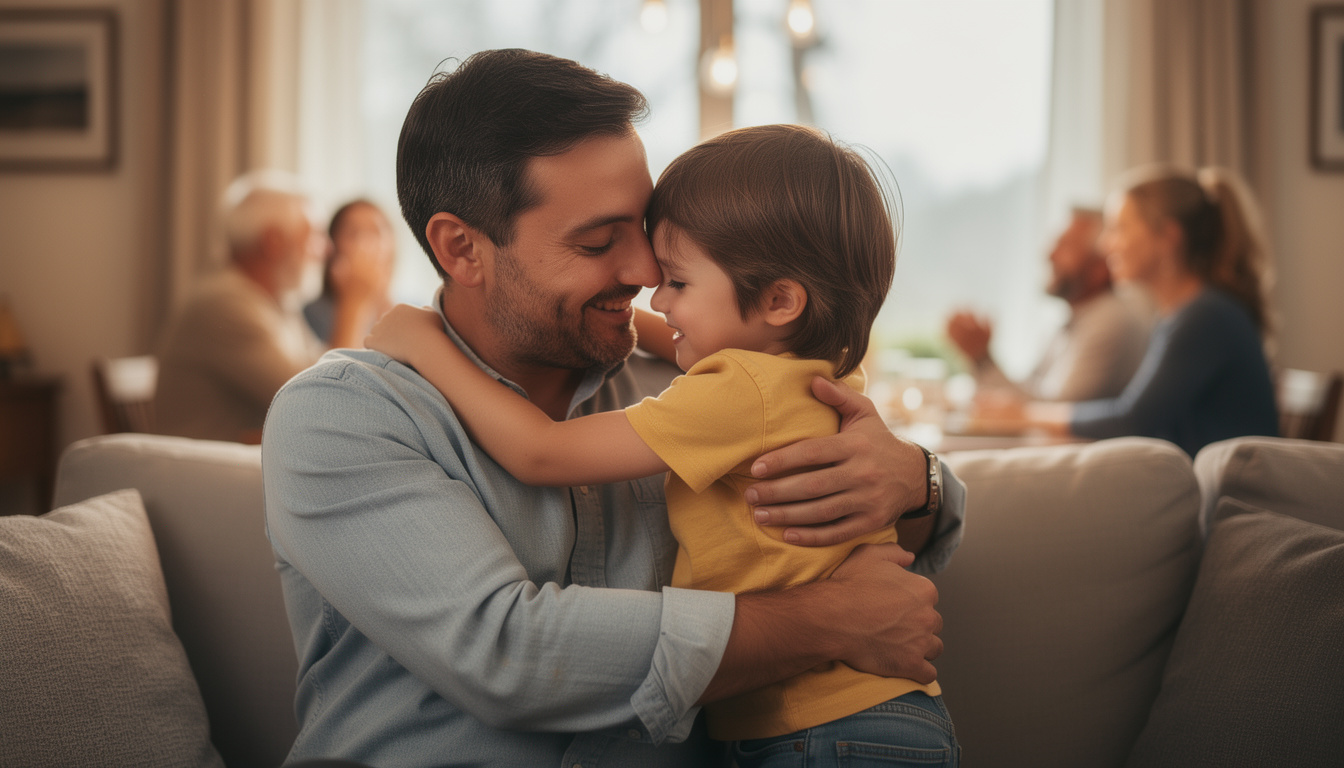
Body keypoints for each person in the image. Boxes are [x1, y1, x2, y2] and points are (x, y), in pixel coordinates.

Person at [263, 49, 964, 768]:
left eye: (647, 229)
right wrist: (824, 623)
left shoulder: (686, 377)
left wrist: (919, 477)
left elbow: (879, 524)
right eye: (598, 241)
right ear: (461, 248)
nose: (646, 273)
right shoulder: (343, 415)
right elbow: (510, 655)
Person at [1008, 165, 1278, 456]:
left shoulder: (1204, 317)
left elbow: (1133, 420)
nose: (1105, 244)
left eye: (1119, 228)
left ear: (1167, 237)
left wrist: (1025, 415)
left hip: (1224, 497)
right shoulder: (1182, 315)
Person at [154, 172, 384, 443]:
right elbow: (319, 399)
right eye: (314, 236)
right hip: (206, 470)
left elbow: (322, 375)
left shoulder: (274, 301)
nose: (325, 250)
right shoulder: (224, 306)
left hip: (247, 456)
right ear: (273, 242)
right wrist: (353, 303)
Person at [946, 207, 1150, 402]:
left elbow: (1054, 408)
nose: (1050, 255)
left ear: (1101, 267)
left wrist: (982, 358)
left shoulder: (1111, 320)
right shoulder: (1072, 317)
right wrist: (980, 359)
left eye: (1066, 246)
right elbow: (1031, 391)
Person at [304, 199, 397, 344]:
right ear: (332, 247)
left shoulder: (415, 310)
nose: (366, 244)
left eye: (377, 231)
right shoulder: (313, 314)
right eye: (353, 234)